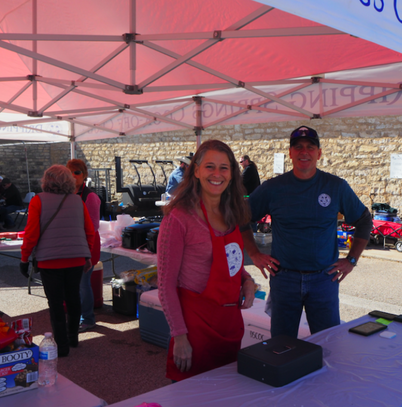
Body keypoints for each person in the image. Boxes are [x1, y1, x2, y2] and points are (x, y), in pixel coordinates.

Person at [241, 126, 373, 338]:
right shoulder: (274, 188)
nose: (304, 152)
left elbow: (364, 220)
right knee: (282, 347)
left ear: (319, 153)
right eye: (298, 147)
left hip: (324, 280)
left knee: (328, 344)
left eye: (310, 147)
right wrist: (254, 254)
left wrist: (352, 260)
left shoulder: (335, 186)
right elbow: (240, 218)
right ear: (291, 153)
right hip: (284, 280)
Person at [157, 139, 256, 382]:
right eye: (209, 166)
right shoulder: (178, 218)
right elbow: (165, 285)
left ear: (232, 174)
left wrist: (247, 280)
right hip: (194, 328)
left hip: (230, 324)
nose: (217, 174)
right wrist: (179, 336)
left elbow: (232, 261)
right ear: (197, 171)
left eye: (224, 167)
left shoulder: (232, 212)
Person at [19, 165, 94, 357]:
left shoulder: (38, 201)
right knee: (73, 297)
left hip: (49, 260)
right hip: (76, 258)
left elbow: (31, 234)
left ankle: (62, 346)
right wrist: (88, 255)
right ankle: (73, 337)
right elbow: (89, 232)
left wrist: (24, 257)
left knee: (55, 302)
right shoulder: (78, 201)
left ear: (46, 181)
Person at [66, 159, 101, 333]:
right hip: (72, 244)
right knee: (74, 284)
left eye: (77, 172)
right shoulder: (65, 195)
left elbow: (93, 227)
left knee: (82, 284)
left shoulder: (90, 196)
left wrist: (85, 251)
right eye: (70, 172)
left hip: (87, 245)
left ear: (84, 175)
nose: (73, 176)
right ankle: (77, 315)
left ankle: (88, 318)